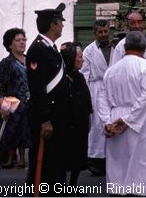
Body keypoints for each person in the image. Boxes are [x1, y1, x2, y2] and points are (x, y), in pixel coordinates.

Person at [98, 30, 146, 196]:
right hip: (141, 121)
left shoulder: (112, 70)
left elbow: (102, 98)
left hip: (116, 117)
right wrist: (127, 120)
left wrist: (107, 122)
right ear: (145, 48)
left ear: (124, 47)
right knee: (140, 164)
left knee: (119, 164)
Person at [26, 3, 70, 194]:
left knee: (56, 164)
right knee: (44, 165)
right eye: (60, 22)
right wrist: (45, 119)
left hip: (58, 116)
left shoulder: (51, 49)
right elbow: (37, 88)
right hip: (48, 118)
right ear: (52, 25)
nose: (62, 25)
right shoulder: (37, 49)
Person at [0, 28, 31, 185]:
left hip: (28, 108)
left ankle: (31, 177)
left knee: (31, 142)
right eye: (17, 40)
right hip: (11, 108)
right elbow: (0, 88)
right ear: (10, 44)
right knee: (3, 142)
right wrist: (2, 106)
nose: (22, 43)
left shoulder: (31, 60)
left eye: (23, 39)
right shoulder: (6, 63)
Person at [81, 19, 114, 176]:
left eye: (105, 31)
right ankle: (96, 160)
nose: (103, 34)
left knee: (112, 121)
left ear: (109, 31)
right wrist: (87, 96)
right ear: (95, 33)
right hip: (96, 89)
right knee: (97, 125)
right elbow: (84, 74)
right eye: (100, 32)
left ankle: (111, 159)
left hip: (113, 89)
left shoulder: (116, 48)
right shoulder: (89, 51)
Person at [60, 42, 93, 185]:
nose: (83, 60)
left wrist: (88, 115)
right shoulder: (61, 78)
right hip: (66, 124)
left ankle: (73, 184)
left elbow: (86, 98)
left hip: (80, 123)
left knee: (79, 153)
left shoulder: (80, 77)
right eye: (79, 57)